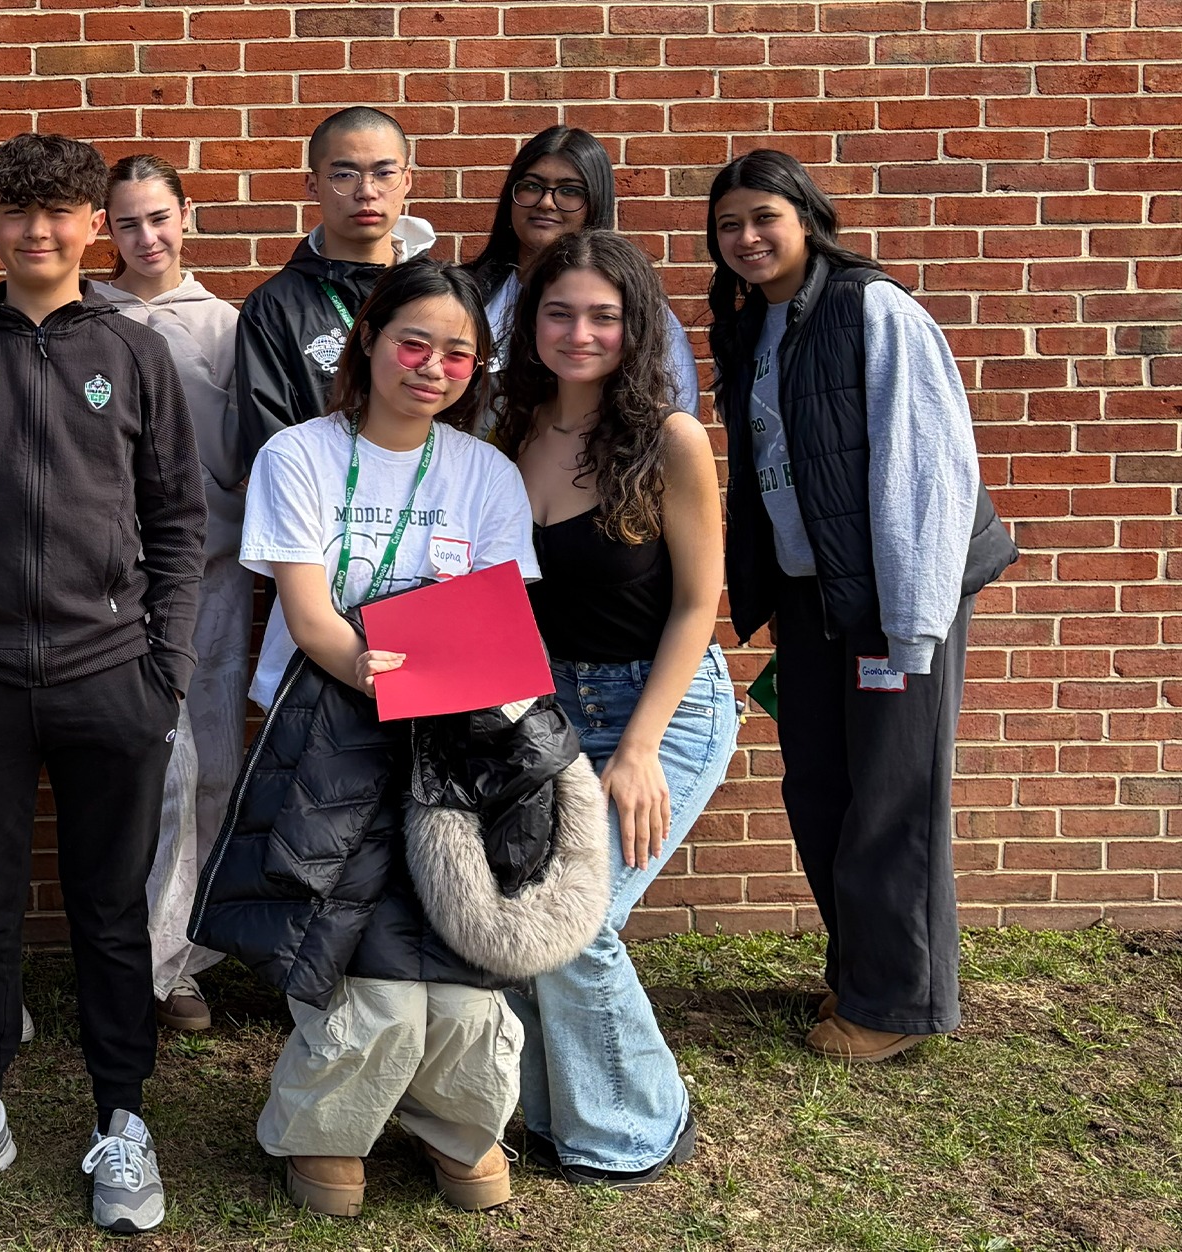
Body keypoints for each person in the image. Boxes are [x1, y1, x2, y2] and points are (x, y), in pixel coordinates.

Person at [195, 258, 592, 1219]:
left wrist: (442, 690)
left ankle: (460, 1123)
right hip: (332, 720)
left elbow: (503, 624)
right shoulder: (299, 455)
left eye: (459, 352)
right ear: (369, 340)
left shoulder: (485, 471)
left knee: (458, 955)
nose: (432, 366)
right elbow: (311, 612)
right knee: (360, 949)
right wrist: (378, 672)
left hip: (459, 734)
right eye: (413, 341)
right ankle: (324, 1133)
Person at [0, 132, 201, 1237]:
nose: (38, 231)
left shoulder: (136, 351)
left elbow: (176, 522)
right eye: (16, 211)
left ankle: (123, 1118)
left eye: (61, 210)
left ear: (90, 223)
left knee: (110, 914)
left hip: (111, 680)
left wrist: (167, 670)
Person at [705, 150, 1016, 1064]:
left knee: (891, 798)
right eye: (729, 226)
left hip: (892, 593)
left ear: (807, 216)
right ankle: (863, 968)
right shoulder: (750, 326)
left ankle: (897, 1003)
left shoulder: (870, 307)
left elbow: (929, 468)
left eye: (764, 216)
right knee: (822, 788)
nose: (748, 238)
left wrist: (913, 622)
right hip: (815, 599)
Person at [492, 230, 733, 1186]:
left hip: (660, 706)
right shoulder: (503, 433)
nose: (579, 332)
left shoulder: (668, 438)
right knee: (520, 914)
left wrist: (637, 750)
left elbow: (695, 604)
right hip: (544, 711)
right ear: (531, 323)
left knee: (577, 924)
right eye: (559, 312)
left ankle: (640, 1122)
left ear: (634, 326)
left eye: (602, 314)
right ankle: (548, 1113)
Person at [86, 155, 244, 1035]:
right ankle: (130, 966)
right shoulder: (85, 320)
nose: (146, 238)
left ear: (187, 214)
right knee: (146, 774)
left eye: (159, 218)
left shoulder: (227, 327)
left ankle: (180, 956)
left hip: (210, 576)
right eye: (127, 223)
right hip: (107, 585)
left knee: (210, 769)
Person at [233, 106, 438, 470]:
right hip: (322, 513)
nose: (367, 192)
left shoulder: (439, 297)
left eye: (385, 173)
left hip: (429, 507)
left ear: (407, 180)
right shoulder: (274, 307)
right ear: (313, 185)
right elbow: (272, 447)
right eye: (345, 175)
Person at [462, 125, 700, 424]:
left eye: (570, 191)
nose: (546, 202)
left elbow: (673, 419)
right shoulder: (468, 295)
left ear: (595, 202)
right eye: (532, 186)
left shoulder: (641, 310)